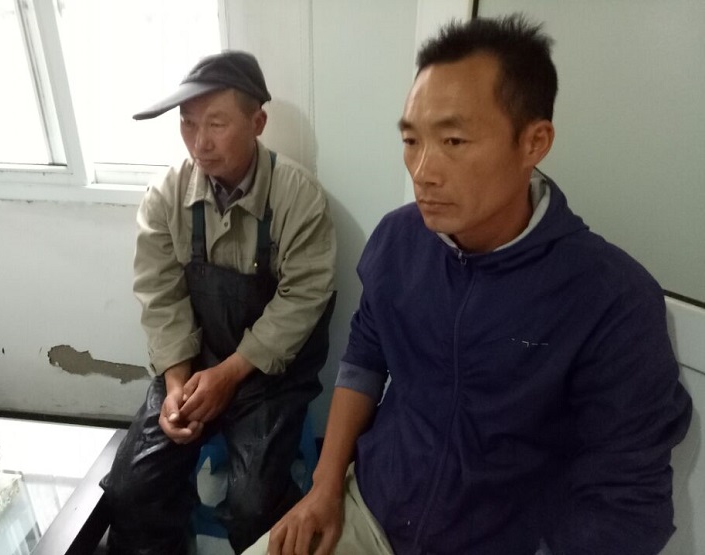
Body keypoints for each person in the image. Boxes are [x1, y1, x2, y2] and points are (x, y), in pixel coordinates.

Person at [245, 15, 692, 555]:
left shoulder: (610, 298)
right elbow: (364, 356)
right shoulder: (399, 240)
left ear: (534, 142)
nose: (423, 170)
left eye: (454, 140)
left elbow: (625, 502)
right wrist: (324, 486)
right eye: (411, 140)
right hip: (369, 511)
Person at [100, 51, 337, 555]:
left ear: (257, 123)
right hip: (194, 365)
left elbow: (302, 300)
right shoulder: (166, 195)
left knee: (254, 507)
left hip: (268, 379)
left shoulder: (298, 198)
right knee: (128, 490)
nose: (199, 143)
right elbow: (160, 295)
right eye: (188, 124)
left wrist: (230, 375)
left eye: (216, 124)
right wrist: (176, 386)